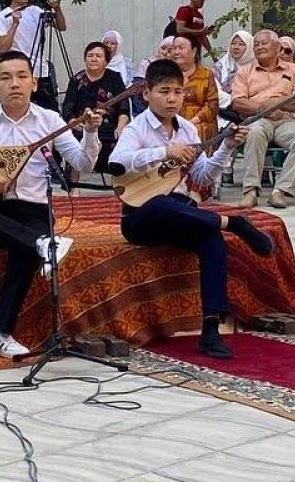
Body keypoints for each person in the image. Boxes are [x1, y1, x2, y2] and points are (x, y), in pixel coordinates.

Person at [109, 59, 273, 359]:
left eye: (177, 92)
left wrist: (227, 147)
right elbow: (117, 163)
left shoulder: (187, 129)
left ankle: (210, 329)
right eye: (164, 91)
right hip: (141, 218)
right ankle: (233, 223)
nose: (172, 98)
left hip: (182, 211)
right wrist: (164, 151)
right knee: (161, 204)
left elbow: (202, 176)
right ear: (147, 93)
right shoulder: (136, 128)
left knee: (211, 240)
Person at [0, 50, 102, 358]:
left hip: (34, 210)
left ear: (34, 82)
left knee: (24, 248)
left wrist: (92, 133)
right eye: (5, 78)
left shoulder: (50, 120)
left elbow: (82, 163)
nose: (14, 84)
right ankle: (44, 244)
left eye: (21, 76)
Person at [231, 30, 295, 209]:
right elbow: (237, 102)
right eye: (256, 44)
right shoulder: (245, 72)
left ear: (277, 47)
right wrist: (263, 108)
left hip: (286, 119)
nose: (259, 47)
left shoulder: (294, 70)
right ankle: (250, 191)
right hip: (257, 119)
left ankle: (280, 191)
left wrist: (278, 104)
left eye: (264, 43)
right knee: (254, 133)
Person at [0, 0, 67, 110]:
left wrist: (57, 9)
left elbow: (61, 27)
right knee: (22, 110)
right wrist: (14, 24)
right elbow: (3, 48)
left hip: (41, 71)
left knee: (49, 113)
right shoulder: (2, 16)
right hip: (20, 72)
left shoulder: (35, 11)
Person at [62, 41, 131, 173]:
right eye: (90, 55)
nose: (94, 59)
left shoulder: (114, 78)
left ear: (106, 61)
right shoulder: (77, 79)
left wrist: (121, 127)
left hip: (109, 128)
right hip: (81, 127)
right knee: (73, 141)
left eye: (98, 56)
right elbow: (68, 106)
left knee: (119, 142)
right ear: (85, 59)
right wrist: (73, 122)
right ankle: (73, 187)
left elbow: (124, 105)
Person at [170, 35, 219, 177]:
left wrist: (190, 123)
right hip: (173, 120)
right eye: (174, 48)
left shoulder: (206, 74)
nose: (176, 52)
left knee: (195, 130)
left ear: (194, 51)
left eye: (181, 48)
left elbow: (212, 105)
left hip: (199, 121)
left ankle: (197, 177)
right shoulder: (168, 76)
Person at [213, 31, 255, 118]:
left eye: (241, 44)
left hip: (251, 114)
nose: (236, 47)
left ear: (250, 46)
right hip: (223, 112)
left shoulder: (257, 67)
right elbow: (214, 92)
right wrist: (235, 102)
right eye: (233, 43)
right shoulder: (221, 66)